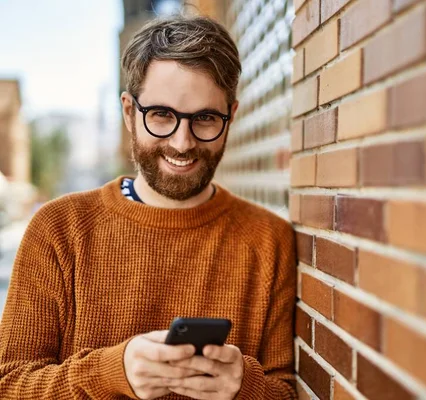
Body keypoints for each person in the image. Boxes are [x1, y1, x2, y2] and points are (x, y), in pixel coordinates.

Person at [0, 15, 297, 400]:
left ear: (231, 116)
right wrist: (112, 373)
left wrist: (245, 386)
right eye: (162, 115)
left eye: (205, 118)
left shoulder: (269, 239)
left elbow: (285, 392)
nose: (182, 142)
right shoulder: (58, 229)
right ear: (129, 112)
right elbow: (9, 385)